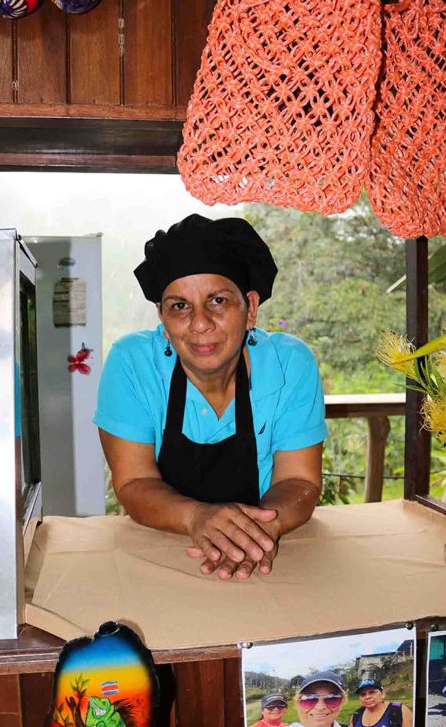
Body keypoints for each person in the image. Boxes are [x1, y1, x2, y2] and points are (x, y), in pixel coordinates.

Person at [94, 215, 326, 581]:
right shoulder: (133, 363)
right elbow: (134, 482)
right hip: (161, 554)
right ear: (161, 316)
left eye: (217, 301)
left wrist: (254, 535)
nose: (200, 323)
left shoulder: (290, 364)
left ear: (250, 307)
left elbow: (300, 481)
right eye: (179, 306)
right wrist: (196, 517)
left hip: (264, 556)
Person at [249, 672, 359, 727]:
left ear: (342, 702)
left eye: (332, 699)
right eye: (309, 699)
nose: (320, 707)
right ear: (298, 703)